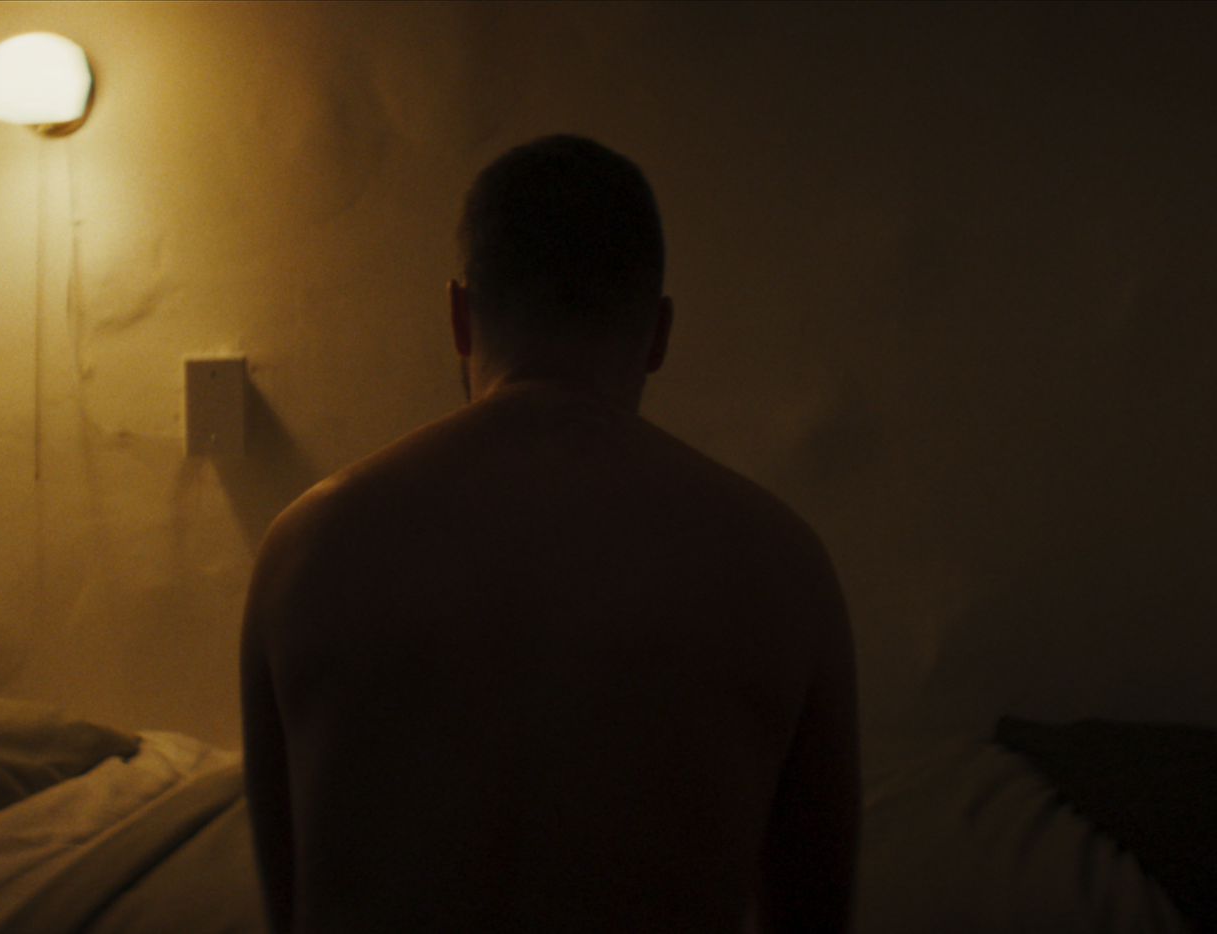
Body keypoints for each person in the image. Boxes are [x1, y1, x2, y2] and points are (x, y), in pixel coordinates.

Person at [239, 135, 858, 934]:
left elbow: (288, 906)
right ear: (659, 332)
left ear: (459, 316)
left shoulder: (303, 549)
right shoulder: (782, 564)